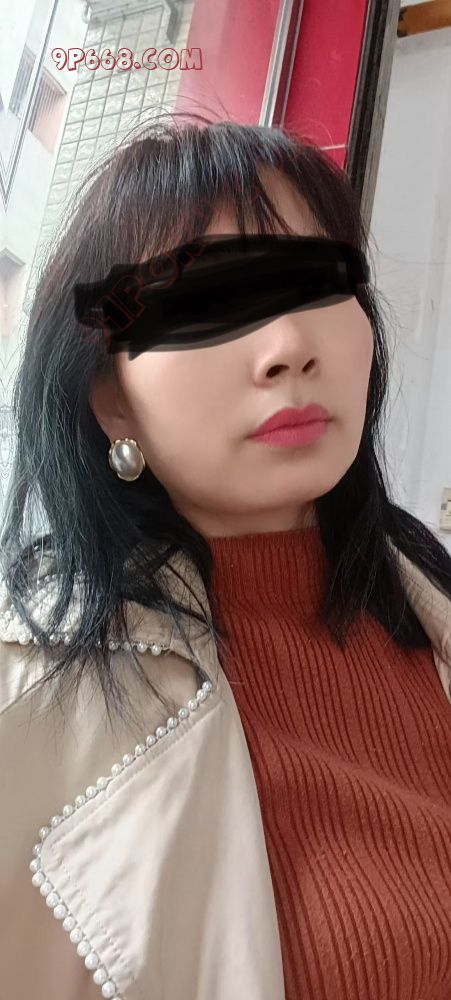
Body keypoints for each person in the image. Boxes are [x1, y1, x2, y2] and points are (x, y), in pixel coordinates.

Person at [0, 116, 450, 1000]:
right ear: (111, 398)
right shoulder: (28, 703)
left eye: (314, 282)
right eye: (205, 303)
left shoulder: (426, 600)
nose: (288, 348)